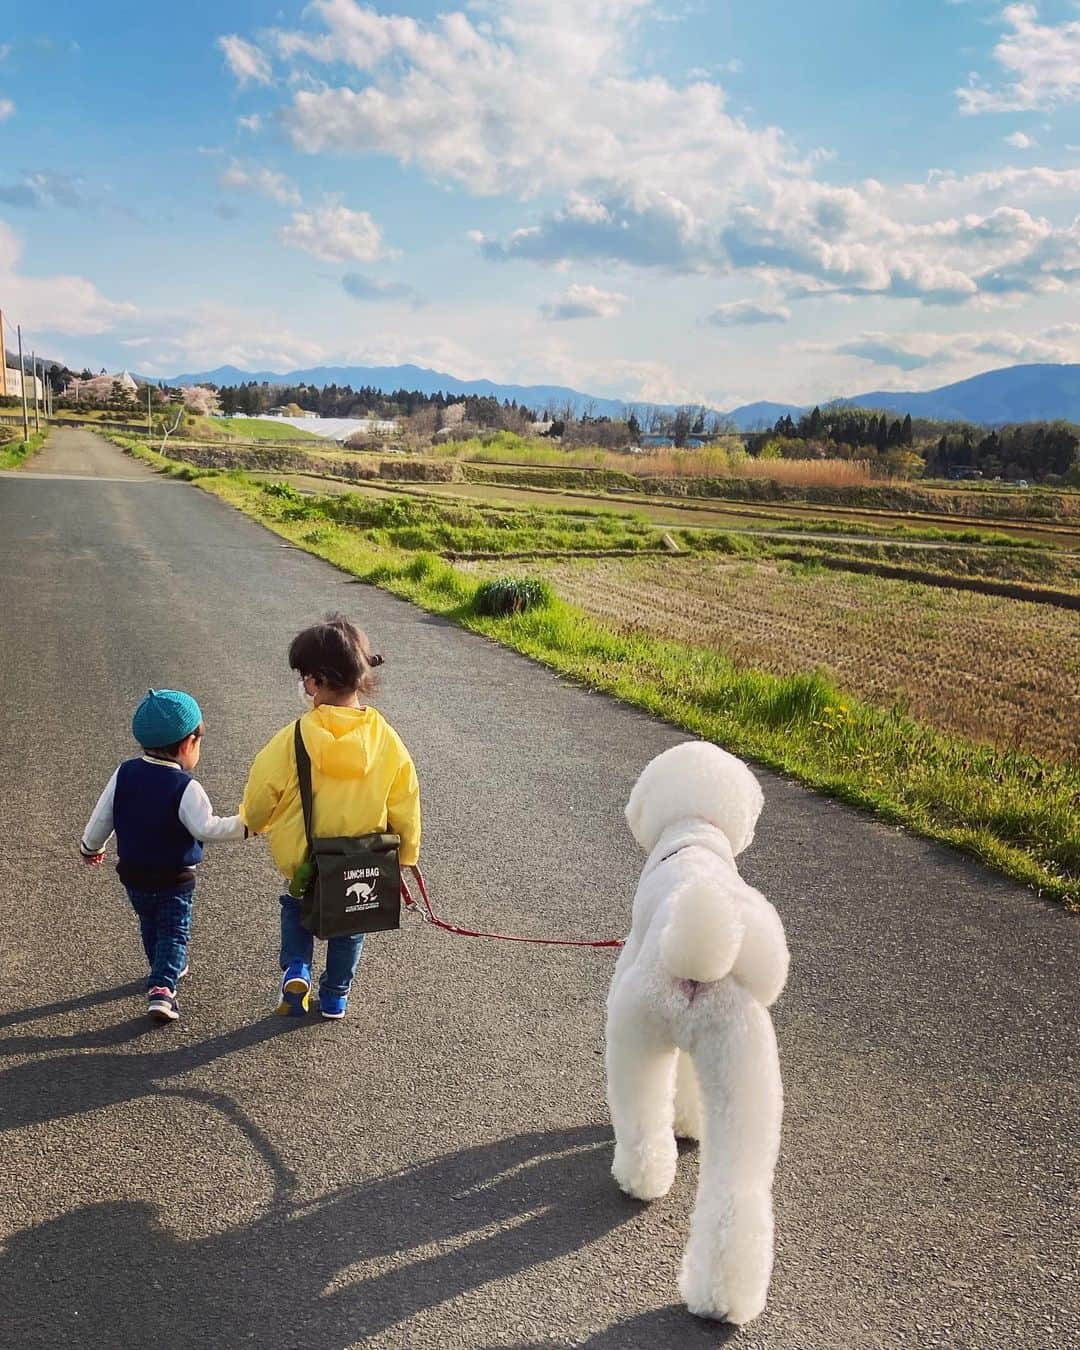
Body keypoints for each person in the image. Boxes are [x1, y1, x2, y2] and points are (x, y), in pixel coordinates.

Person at [240, 614, 421, 1021]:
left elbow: (262, 789)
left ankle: (296, 969)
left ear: (316, 681)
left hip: (307, 855)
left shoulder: (294, 736)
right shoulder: (386, 739)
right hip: (361, 857)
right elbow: (405, 798)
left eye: (305, 677)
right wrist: (406, 853)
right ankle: (336, 996)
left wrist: (253, 820)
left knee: (295, 905)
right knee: (349, 926)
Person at [80, 689, 246, 1022]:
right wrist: (249, 825)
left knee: (151, 924)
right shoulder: (185, 786)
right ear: (188, 743)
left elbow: (102, 816)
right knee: (174, 931)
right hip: (174, 878)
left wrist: (91, 846)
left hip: (134, 874)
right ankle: (162, 988)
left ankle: (165, 965)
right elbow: (207, 828)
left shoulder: (125, 773)